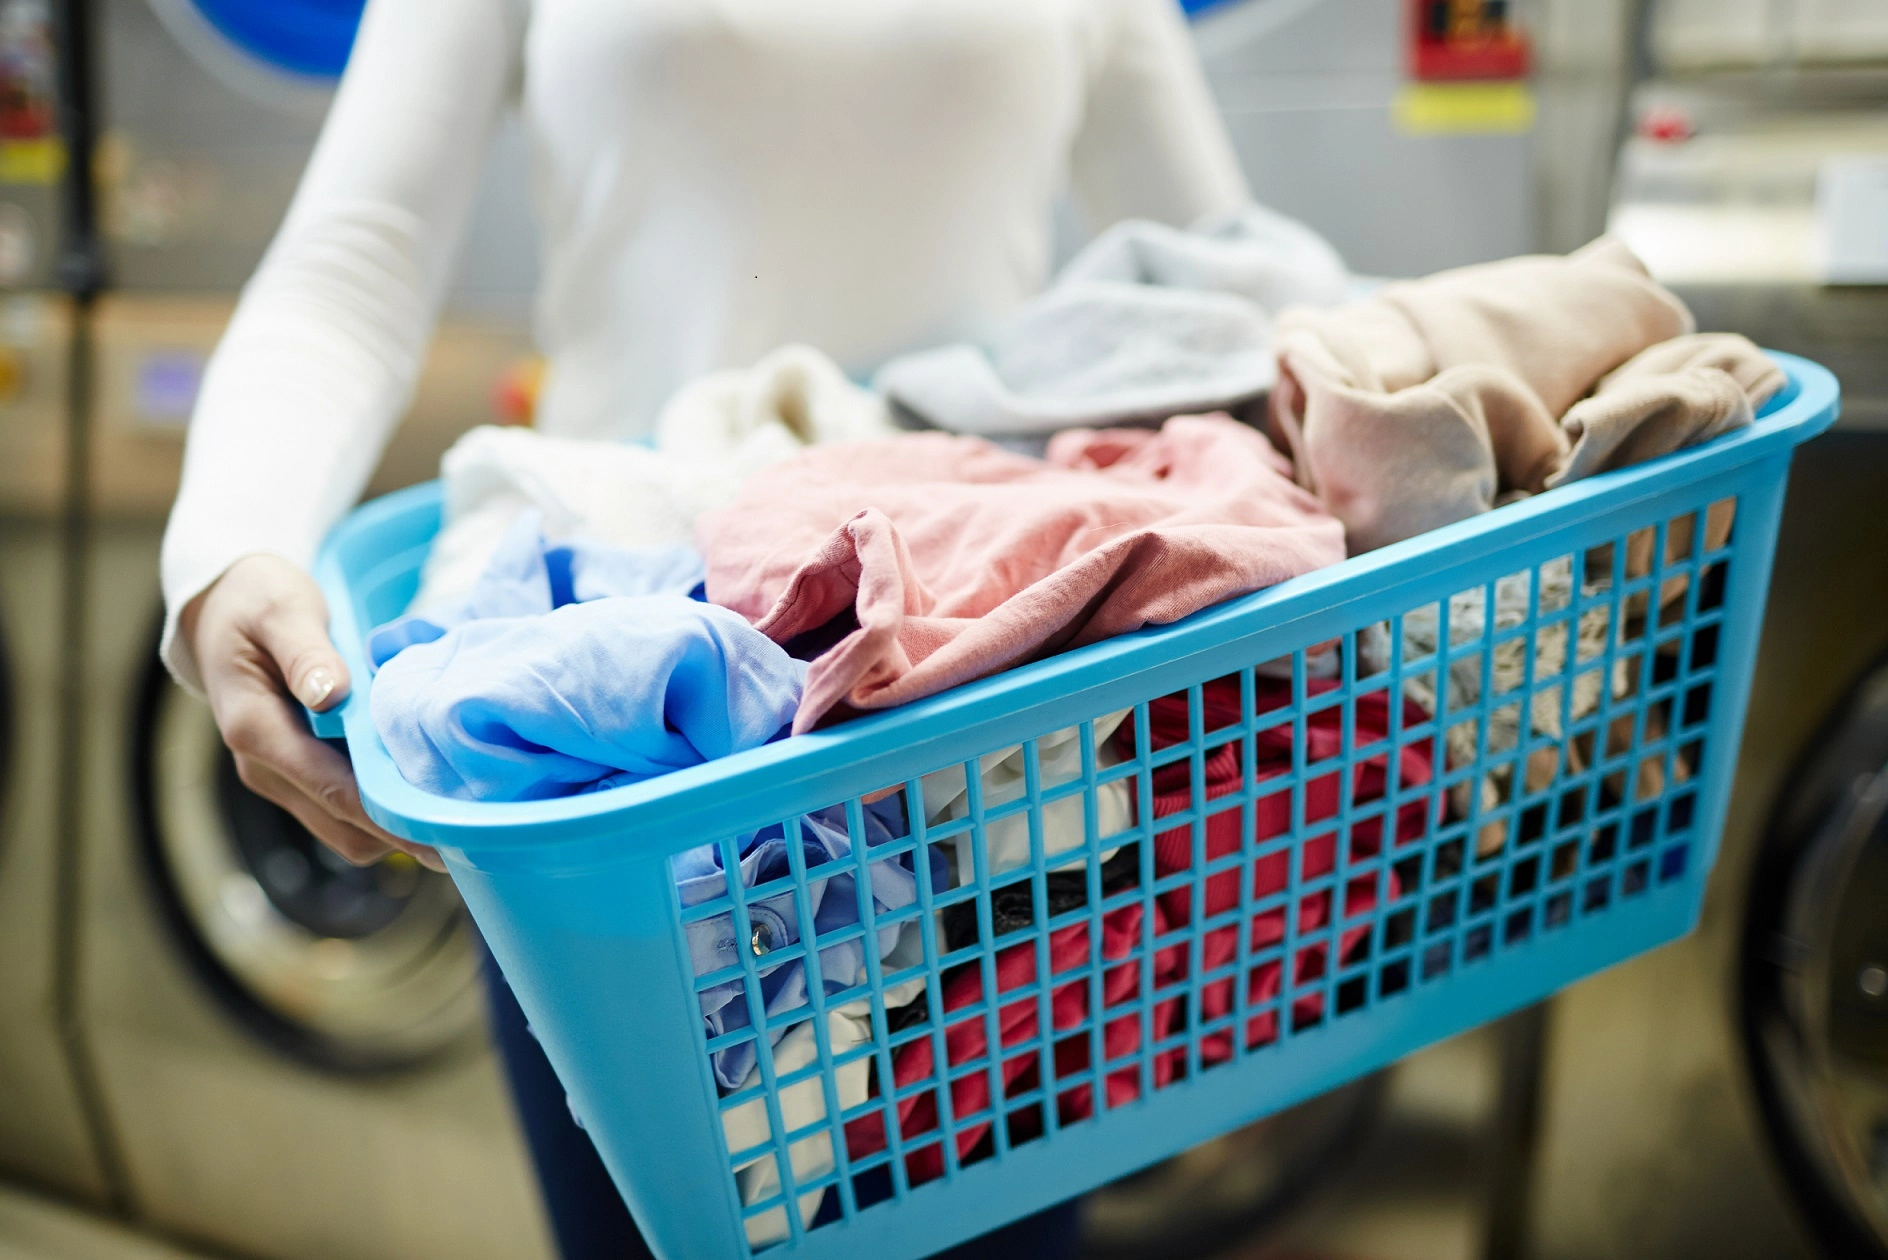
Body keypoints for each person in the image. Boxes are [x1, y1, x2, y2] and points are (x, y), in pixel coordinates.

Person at [160, 1, 1252, 1255]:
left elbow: (1218, 271)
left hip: (996, 736)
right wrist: (229, 552)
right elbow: (358, 259)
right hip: (618, 748)